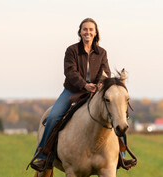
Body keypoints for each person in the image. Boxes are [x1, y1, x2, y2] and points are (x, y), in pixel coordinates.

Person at [33, 18, 111, 163]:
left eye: (91, 29)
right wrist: (84, 85)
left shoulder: (102, 53)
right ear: (80, 32)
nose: (88, 32)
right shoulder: (72, 50)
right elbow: (70, 72)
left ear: (95, 33)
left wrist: (99, 84)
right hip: (72, 91)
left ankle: (121, 154)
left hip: (95, 92)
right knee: (53, 116)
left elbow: (105, 72)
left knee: (116, 114)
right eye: (85, 29)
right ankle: (42, 154)